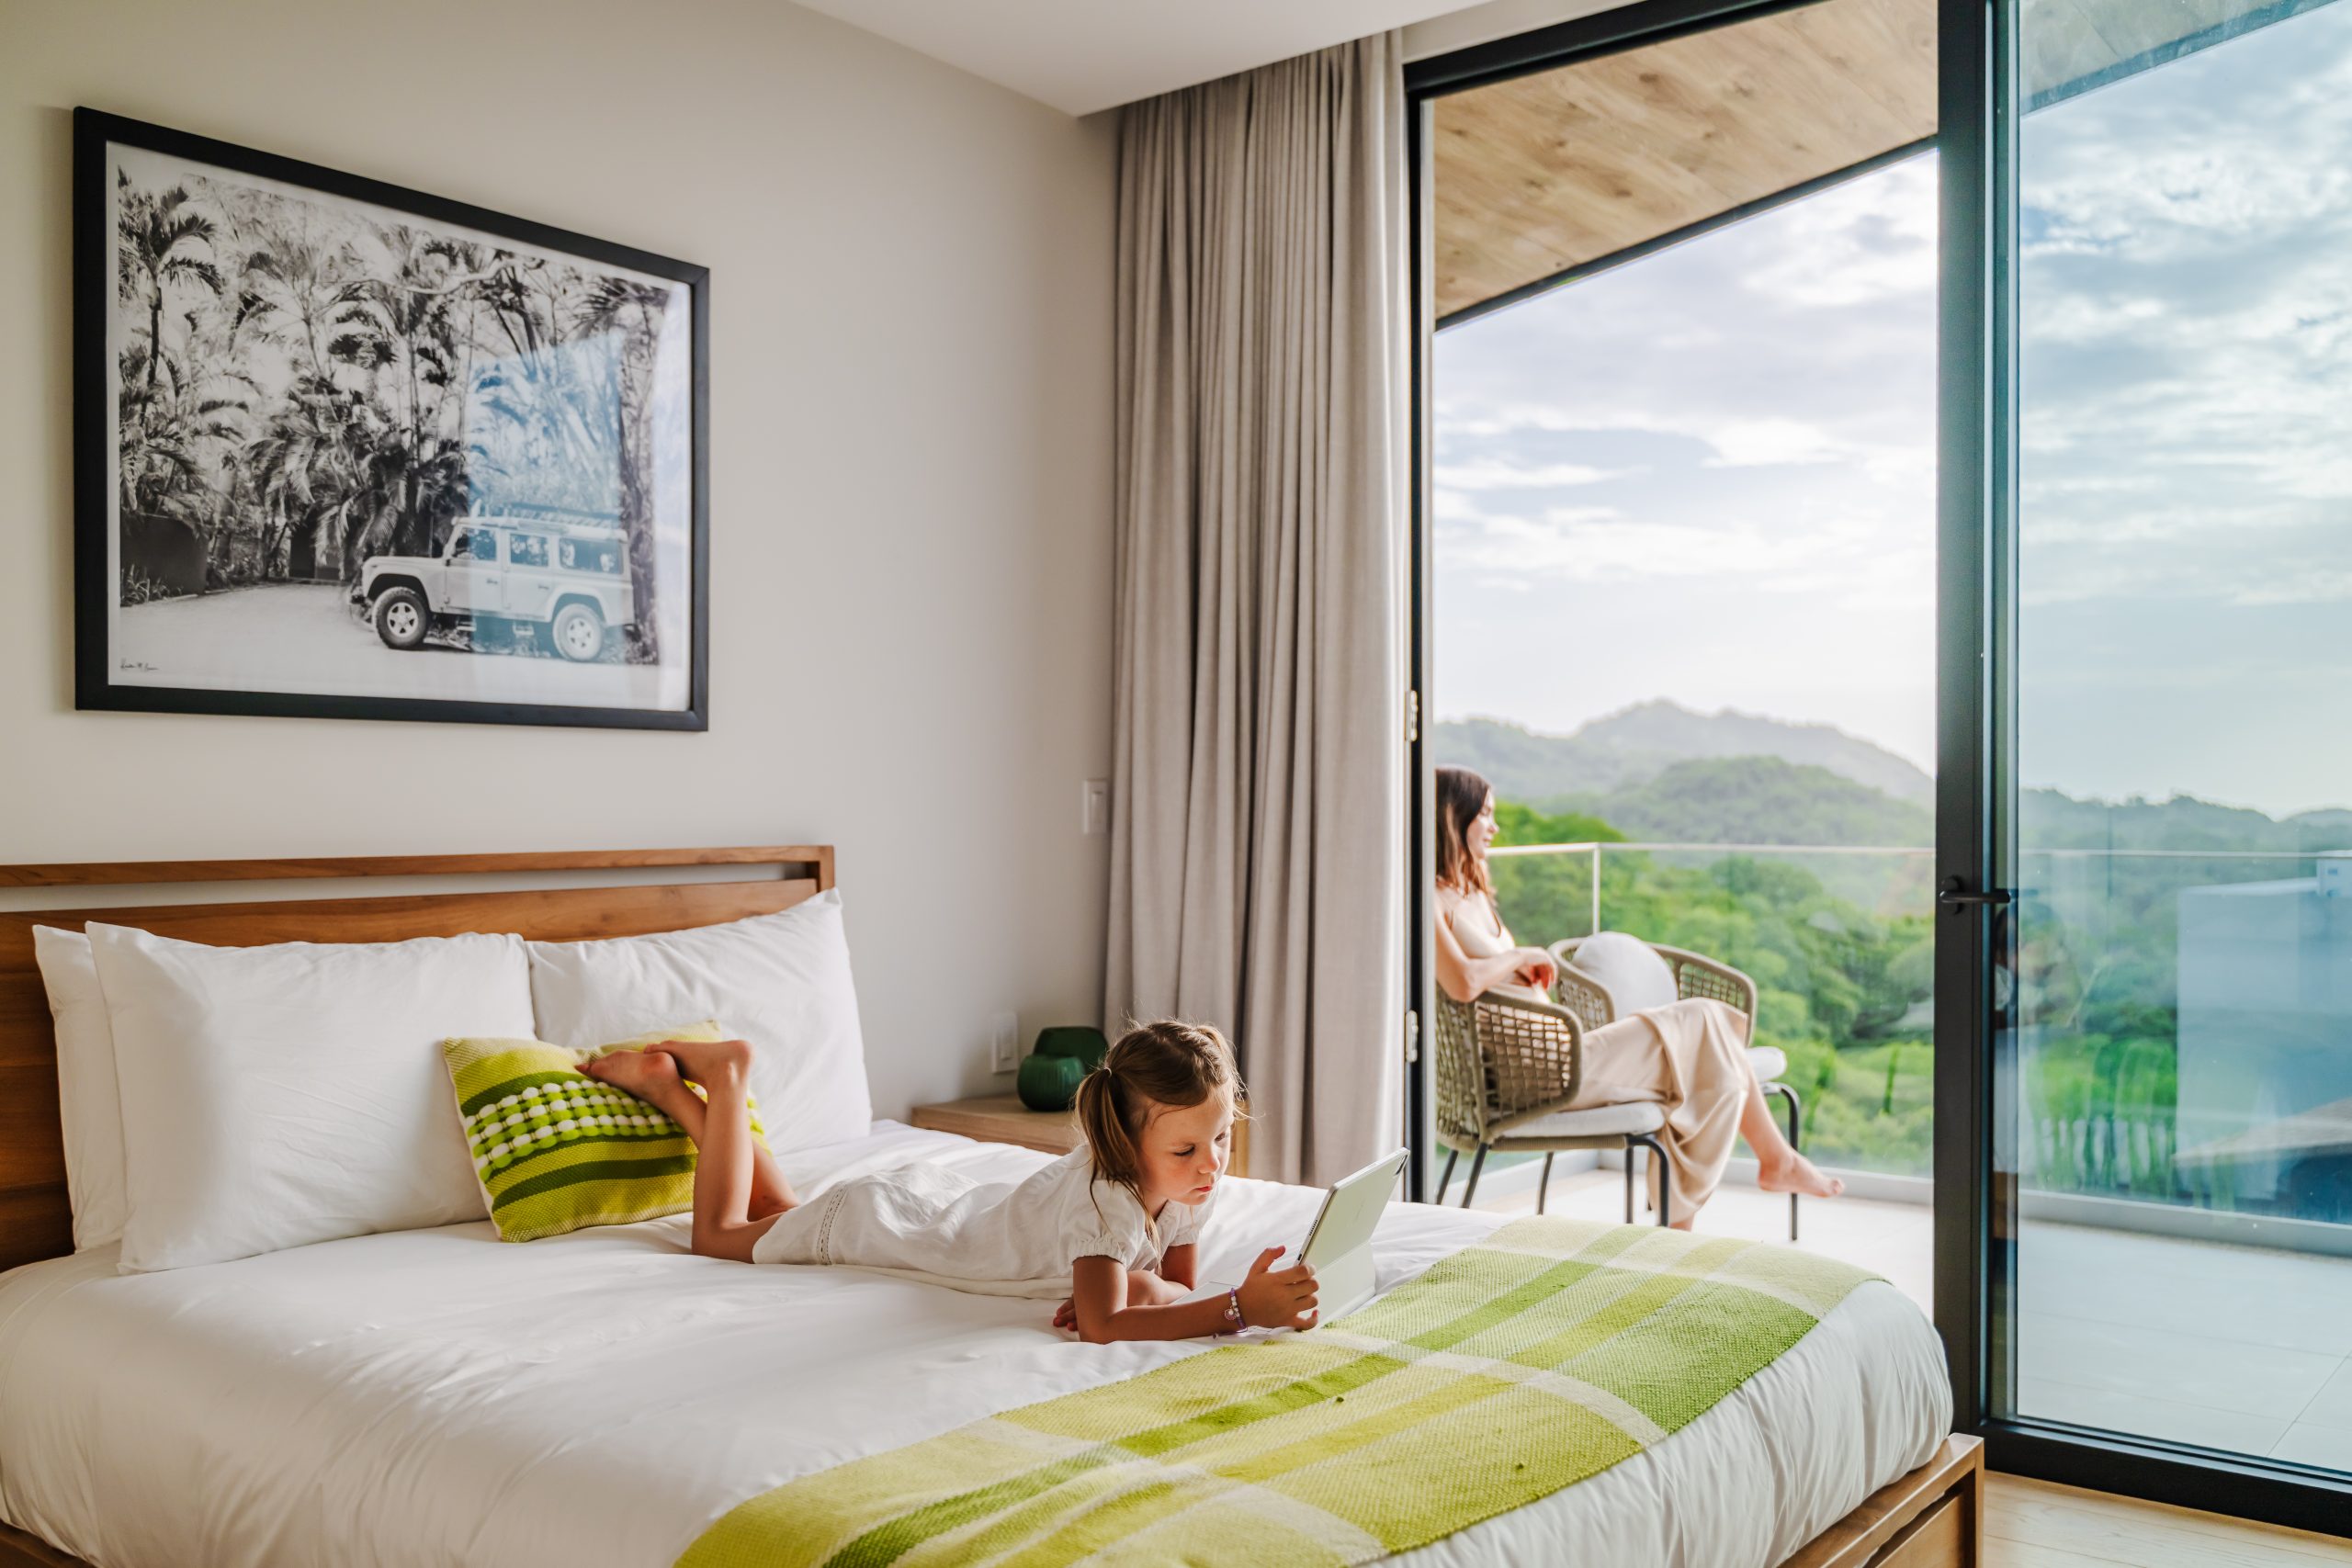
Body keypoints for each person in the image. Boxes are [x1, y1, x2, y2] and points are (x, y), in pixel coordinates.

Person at [580, 1021, 1320, 1343]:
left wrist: (1164, 1295)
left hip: (925, 1208)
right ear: (1128, 1138)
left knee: (779, 1214)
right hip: (887, 1222)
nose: (1214, 1163)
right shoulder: (1105, 1200)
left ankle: (671, 1089)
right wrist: (1238, 1309)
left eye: (1221, 1137)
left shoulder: (1187, 1181)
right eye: (1190, 1147)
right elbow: (1104, 1325)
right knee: (719, 1239)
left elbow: (1168, 1287)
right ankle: (727, 1075)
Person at [1432, 764, 1842, 1225]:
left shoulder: (1473, 891)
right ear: (1453, 815)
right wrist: (1519, 957)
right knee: (1703, 1021)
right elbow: (1462, 982)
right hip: (1536, 1072)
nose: (1495, 826)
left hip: (1558, 1049)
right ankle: (1756, 1174)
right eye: (1484, 814)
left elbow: (1485, 978)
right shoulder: (1428, 898)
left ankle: (1704, 1211)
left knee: (1701, 1051)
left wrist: (1518, 970)